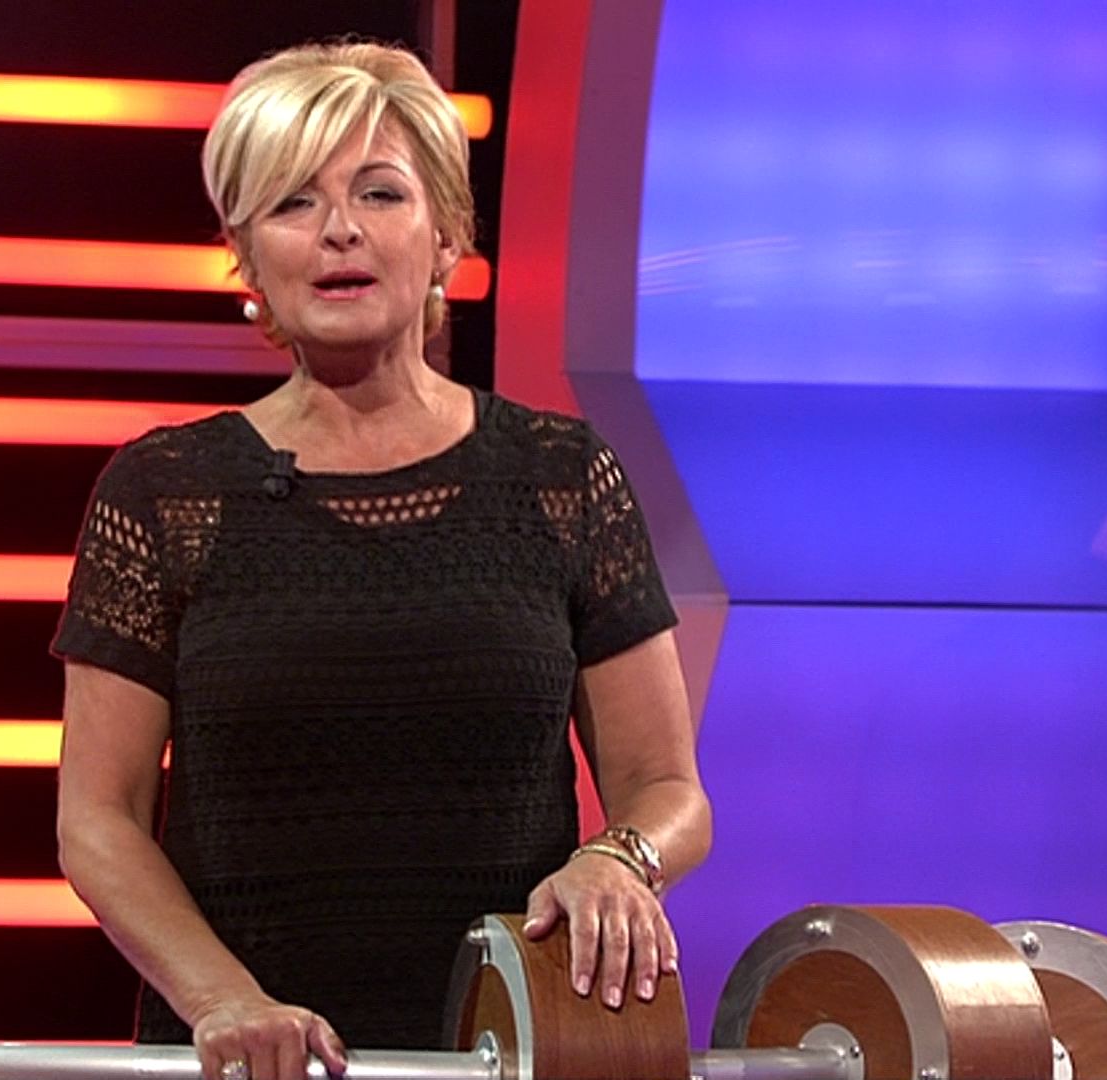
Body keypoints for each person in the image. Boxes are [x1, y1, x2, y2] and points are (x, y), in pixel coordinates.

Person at [49, 38, 713, 1080]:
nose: (340, 230)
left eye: (380, 192)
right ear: (246, 257)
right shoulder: (165, 492)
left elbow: (667, 787)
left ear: (447, 234)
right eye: (293, 203)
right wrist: (225, 1001)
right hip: (252, 1061)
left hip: (509, 1046)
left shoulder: (561, 475)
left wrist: (618, 858)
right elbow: (98, 820)